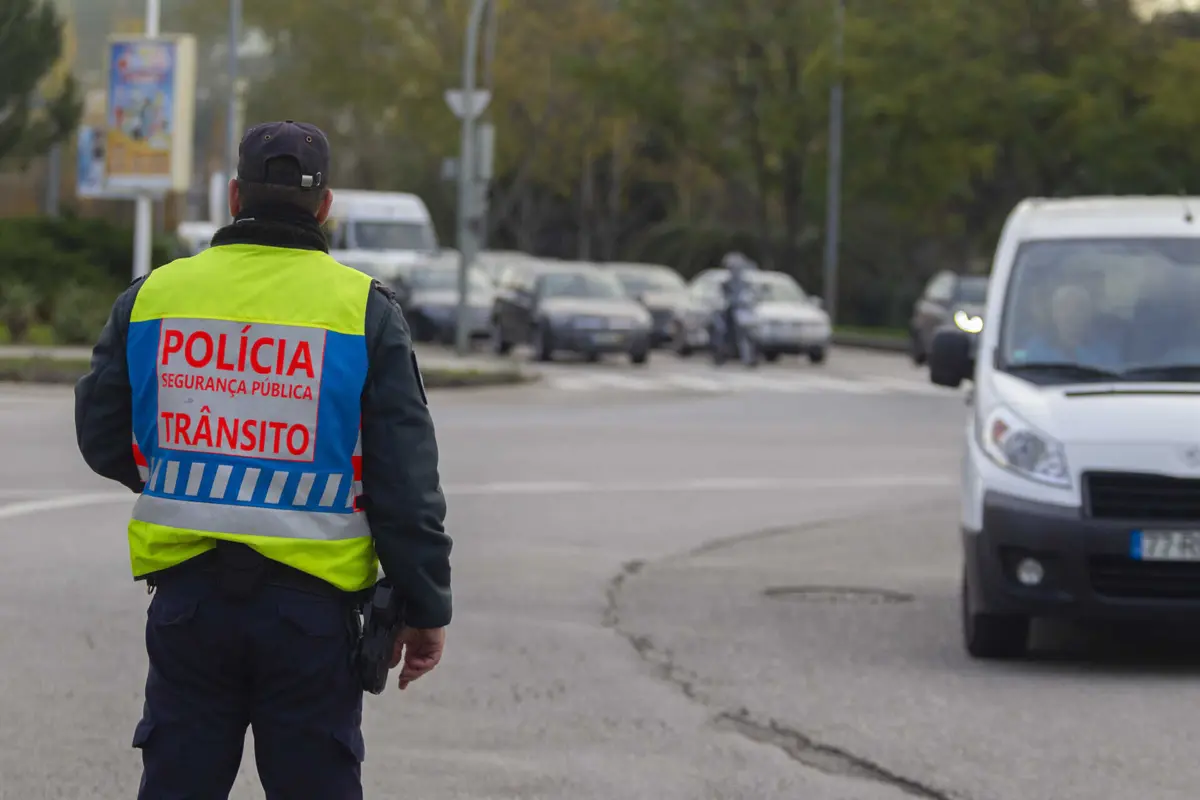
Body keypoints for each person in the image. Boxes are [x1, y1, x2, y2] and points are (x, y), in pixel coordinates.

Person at [74, 120, 452, 799]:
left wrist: (180, 474)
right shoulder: (364, 312)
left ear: (233, 195)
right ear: (326, 205)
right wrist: (425, 606)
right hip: (311, 617)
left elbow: (102, 433)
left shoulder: (153, 297)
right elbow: (404, 481)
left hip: (189, 605)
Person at [1011, 283, 1121, 369]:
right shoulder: (1038, 349)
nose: (1071, 315)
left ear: (1089, 314)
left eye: (1079, 308)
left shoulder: (1105, 352)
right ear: (1054, 314)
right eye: (1065, 308)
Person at [717, 252, 758, 353]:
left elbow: (749, 295)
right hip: (732, 310)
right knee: (726, 332)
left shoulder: (745, 281)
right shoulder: (728, 282)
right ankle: (722, 353)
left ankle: (746, 356)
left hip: (741, 311)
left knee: (743, 335)